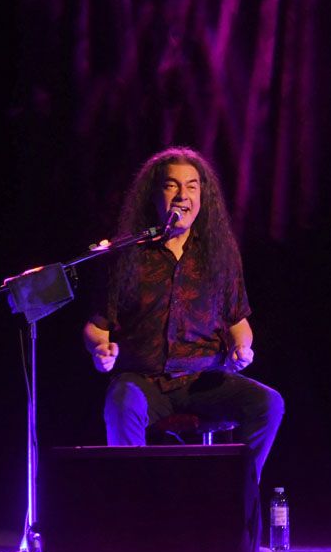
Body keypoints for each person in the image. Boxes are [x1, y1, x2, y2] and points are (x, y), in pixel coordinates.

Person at [82, 147, 283, 482]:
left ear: (203, 196)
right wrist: (100, 350)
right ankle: (129, 504)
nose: (182, 196)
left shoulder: (219, 253)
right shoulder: (126, 253)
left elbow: (238, 321)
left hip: (203, 382)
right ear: (154, 194)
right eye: (171, 186)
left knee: (268, 404)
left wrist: (242, 348)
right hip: (143, 381)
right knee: (121, 401)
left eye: (191, 187)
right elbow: (97, 326)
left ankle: (236, 497)